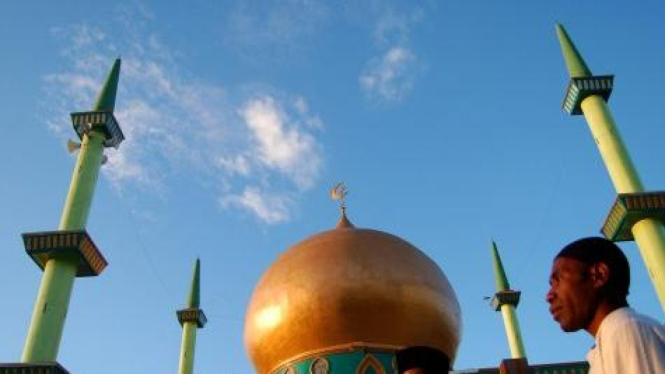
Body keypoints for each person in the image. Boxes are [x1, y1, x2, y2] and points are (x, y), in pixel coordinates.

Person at [546, 236, 665, 373]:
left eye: (558, 281)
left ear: (599, 275)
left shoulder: (625, 330)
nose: (549, 295)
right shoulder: (610, 341)